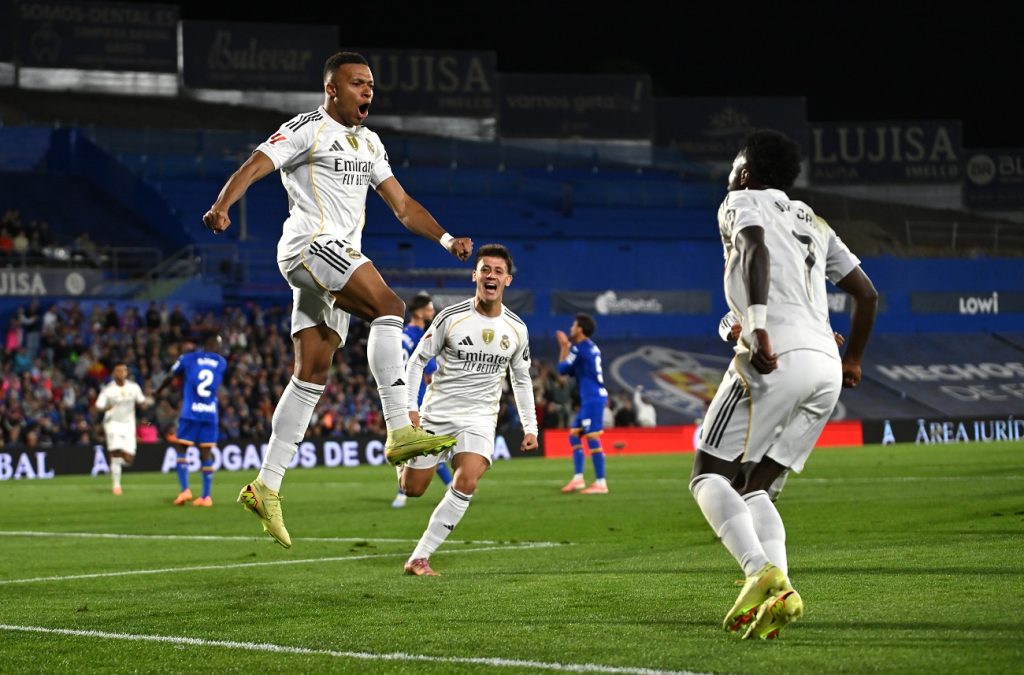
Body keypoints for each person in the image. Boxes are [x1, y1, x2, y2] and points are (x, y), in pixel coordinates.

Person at [201, 51, 472, 548]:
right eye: (357, 83)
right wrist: (222, 206)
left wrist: (446, 239)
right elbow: (256, 164)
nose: (368, 91)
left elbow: (403, 205)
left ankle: (266, 484)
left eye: (371, 84)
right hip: (310, 246)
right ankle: (399, 427)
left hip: (332, 262)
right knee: (391, 308)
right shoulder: (307, 128)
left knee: (312, 374)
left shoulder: (369, 143)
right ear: (332, 89)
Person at [689, 130, 878, 640]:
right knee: (755, 486)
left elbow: (753, 246)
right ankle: (781, 591)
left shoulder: (739, 201)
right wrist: (853, 360)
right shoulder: (813, 221)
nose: (729, 176)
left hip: (775, 353)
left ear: (746, 173)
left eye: (733, 167)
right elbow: (867, 294)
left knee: (708, 475)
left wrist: (757, 326)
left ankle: (758, 569)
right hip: (825, 366)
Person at [398, 244, 538, 575]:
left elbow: (521, 379)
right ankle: (402, 451)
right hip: (438, 414)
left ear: (508, 280)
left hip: (479, 418)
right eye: (485, 269)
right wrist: (411, 408)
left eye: (498, 271)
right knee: (412, 489)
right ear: (475, 275)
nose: (491, 275)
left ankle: (420, 557)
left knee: (468, 480)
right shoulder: (451, 318)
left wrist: (531, 426)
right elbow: (417, 361)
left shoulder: (517, 329)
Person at [391, 292, 453, 508]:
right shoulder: (422, 335)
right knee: (420, 448)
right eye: (429, 308)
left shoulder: (401, 334)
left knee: (423, 448)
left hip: (397, 395)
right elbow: (429, 371)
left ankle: (452, 486)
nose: (432, 311)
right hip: (417, 399)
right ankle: (403, 492)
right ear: (419, 312)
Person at [155, 334, 228, 507]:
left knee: (181, 447)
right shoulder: (221, 362)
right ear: (215, 346)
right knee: (206, 453)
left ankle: (185, 490)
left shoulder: (188, 358)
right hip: (210, 413)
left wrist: (158, 391)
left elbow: (171, 375)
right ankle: (206, 496)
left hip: (191, 413)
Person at [556, 313, 610, 495]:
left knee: (592, 436)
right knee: (574, 435)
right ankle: (579, 479)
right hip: (591, 397)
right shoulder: (590, 347)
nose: (571, 328)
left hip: (592, 398)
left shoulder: (579, 348)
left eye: (573, 324)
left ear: (579, 329)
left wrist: (564, 347)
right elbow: (571, 371)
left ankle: (601, 483)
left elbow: (562, 369)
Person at [93, 363, 151, 495]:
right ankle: (116, 485)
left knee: (129, 459)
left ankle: (114, 462)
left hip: (128, 424)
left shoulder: (134, 387)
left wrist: (145, 404)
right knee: (116, 450)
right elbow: (98, 406)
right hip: (112, 423)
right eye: (118, 370)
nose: (121, 373)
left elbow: (142, 402)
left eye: (124, 370)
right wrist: (104, 408)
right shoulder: (108, 390)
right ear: (114, 373)